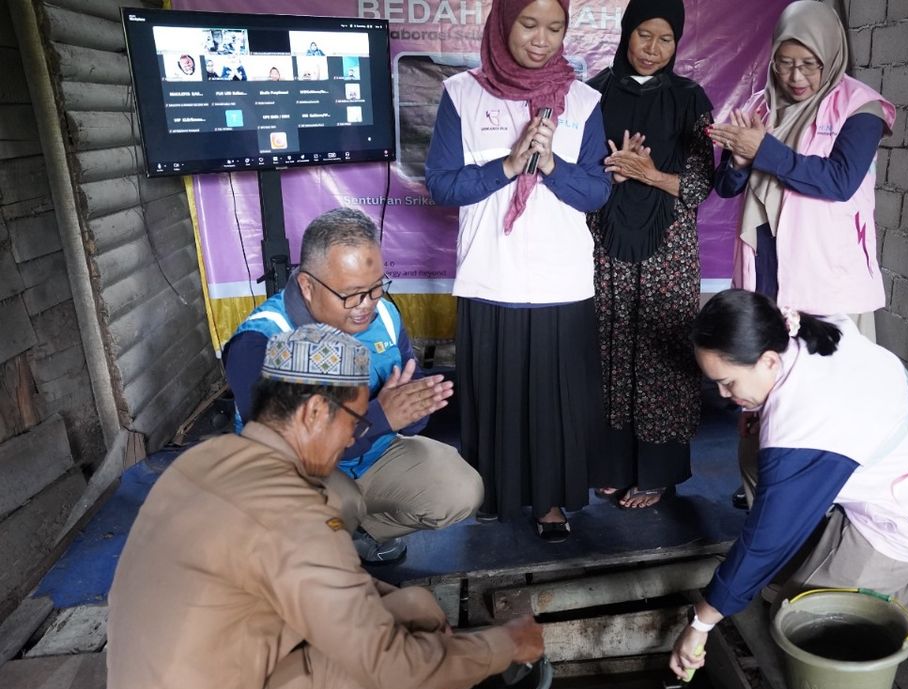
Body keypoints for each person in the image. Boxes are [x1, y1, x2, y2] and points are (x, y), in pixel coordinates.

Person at [105, 325, 544, 689]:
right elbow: (390, 668)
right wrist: (504, 645)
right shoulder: (293, 514)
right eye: (353, 420)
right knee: (409, 631)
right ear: (314, 411)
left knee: (402, 608)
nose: (354, 437)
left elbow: (325, 583)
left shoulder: (206, 460)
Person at [669, 290, 908, 680]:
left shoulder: (804, 425)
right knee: (754, 451)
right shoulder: (815, 329)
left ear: (768, 360)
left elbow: (764, 542)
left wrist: (701, 623)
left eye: (727, 382)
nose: (725, 397)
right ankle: (820, 550)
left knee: (800, 621)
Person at [425, 0, 610, 541]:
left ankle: (550, 502)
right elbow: (442, 185)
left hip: (563, 282)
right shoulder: (462, 93)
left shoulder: (583, 100)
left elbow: (597, 193)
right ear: (503, 23)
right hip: (491, 276)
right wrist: (509, 165)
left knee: (557, 399)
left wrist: (550, 166)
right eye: (529, 24)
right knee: (497, 394)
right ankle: (493, 493)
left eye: (555, 28)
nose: (541, 39)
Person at [224, 208, 484, 564]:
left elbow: (410, 404)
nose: (367, 305)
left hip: (369, 458)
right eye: (352, 294)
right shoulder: (260, 341)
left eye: (377, 288)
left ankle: (358, 531)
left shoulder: (385, 317)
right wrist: (382, 415)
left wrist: (414, 409)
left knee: (460, 490)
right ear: (307, 286)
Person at [586, 0, 715, 510]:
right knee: (610, 347)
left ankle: (657, 471)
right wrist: (611, 173)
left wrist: (651, 175)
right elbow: (574, 174)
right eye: (644, 35)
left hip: (670, 248)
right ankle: (612, 464)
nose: (652, 49)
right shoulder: (593, 93)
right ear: (626, 33)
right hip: (606, 238)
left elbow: (703, 184)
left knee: (661, 352)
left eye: (665, 39)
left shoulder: (690, 99)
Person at [708, 0, 894, 339]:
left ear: (831, 55)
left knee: (827, 375)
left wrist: (763, 150)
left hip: (823, 269)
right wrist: (738, 161)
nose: (796, 77)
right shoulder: (760, 107)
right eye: (784, 63)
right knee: (771, 367)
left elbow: (840, 181)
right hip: (765, 258)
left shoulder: (861, 109)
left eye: (809, 64)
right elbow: (726, 186)